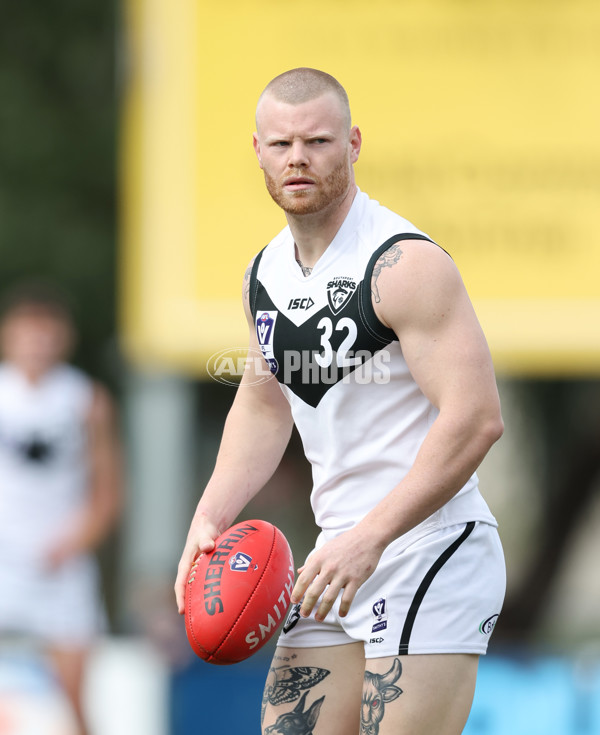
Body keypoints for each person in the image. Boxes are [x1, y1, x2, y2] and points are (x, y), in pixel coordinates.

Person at [175, 67, 506, 735]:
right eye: (281, 144)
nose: (297, 158)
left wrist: (371, 537)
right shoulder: (263, 274)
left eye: (318, 141)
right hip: (336, 555)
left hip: (428, 548)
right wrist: (210, 513)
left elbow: (476, 420)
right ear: (258, 150)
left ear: (353, 143)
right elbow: (265, 407)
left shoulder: (404, 264)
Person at [0, 282, 122, 735]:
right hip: (3, 561)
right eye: (28, 331)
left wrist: (74, 542)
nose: (38, 342)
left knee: (72, 701)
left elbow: (108, 492)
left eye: (47, 331)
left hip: (61, 566)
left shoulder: (86, 402)